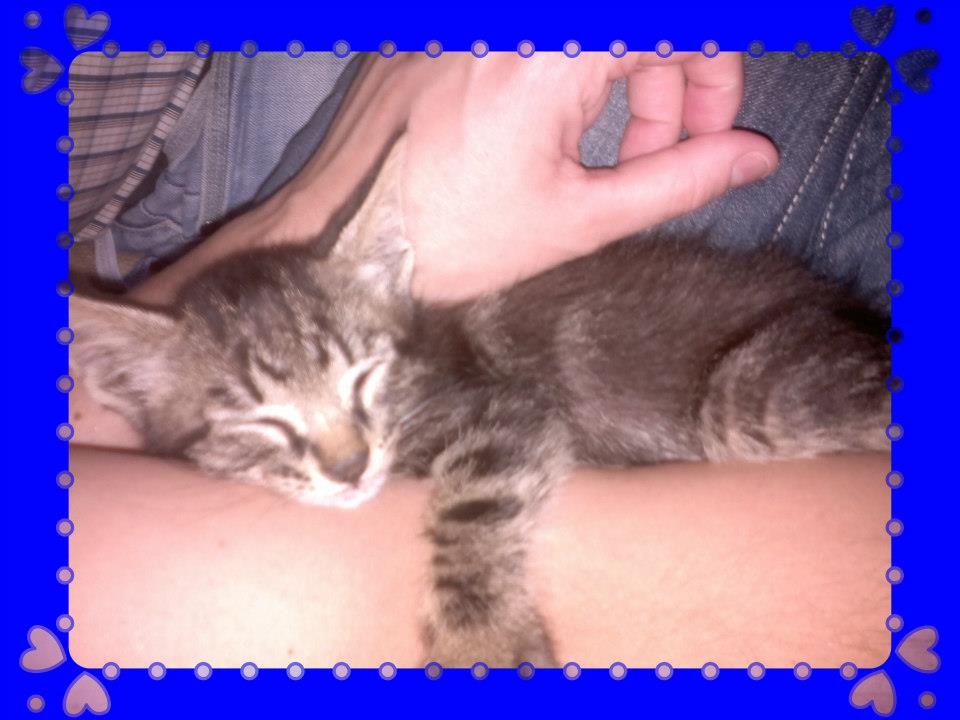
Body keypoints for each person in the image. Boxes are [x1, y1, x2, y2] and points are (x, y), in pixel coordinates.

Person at [68, 50, 891, 668]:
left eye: (365, 382)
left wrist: (471, 596)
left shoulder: (418, 371)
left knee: (773, 418)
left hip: (740, 366)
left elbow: (512, 425)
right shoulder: (155, 391)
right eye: (263, 423)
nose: (347, 456)